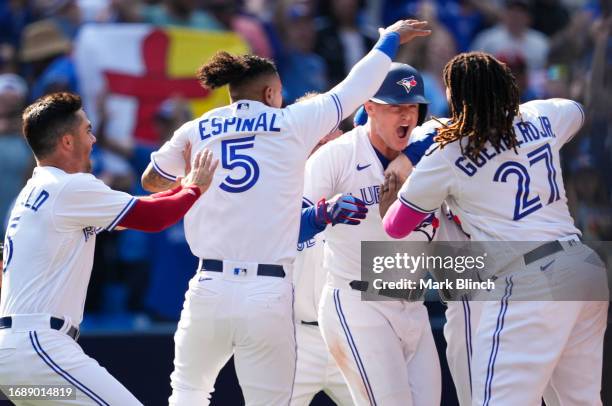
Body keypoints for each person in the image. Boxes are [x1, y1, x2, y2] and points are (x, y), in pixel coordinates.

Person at [141, 19, 431, 406]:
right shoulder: (290, 124)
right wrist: (389, 40)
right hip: (268, 290)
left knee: (188, 394)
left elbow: (151, 180)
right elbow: (355, 88)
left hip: (209, 283)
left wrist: (192, 184)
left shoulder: (199, 127)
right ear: (271, 92)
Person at [381, 52, 609, 406]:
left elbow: (396, 226)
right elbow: (578, 111)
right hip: (582, 267)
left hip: (528, 279)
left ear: (457, 98)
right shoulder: (542, 114)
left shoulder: (448, 151)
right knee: (580, 401)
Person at [0, 92, 218, 405]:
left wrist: (185, 188)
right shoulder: (69, 187)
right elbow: (154, 218)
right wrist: (195, 187)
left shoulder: (35, 191)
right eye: (87, 130)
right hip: (40, 347)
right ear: (66, 142)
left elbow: (139, 208)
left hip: (15, 359)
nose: (94, 138)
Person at [304, 63, 440, 405]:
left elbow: (454, 128)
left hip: (413, 304)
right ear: (369, 107)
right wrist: (323, 213)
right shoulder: (338, 155)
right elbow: (283, 227)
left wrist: (409, 156)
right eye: (395, 106)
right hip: (358, 302)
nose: (406, 115)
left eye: (412, 106)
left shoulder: (428, 150)